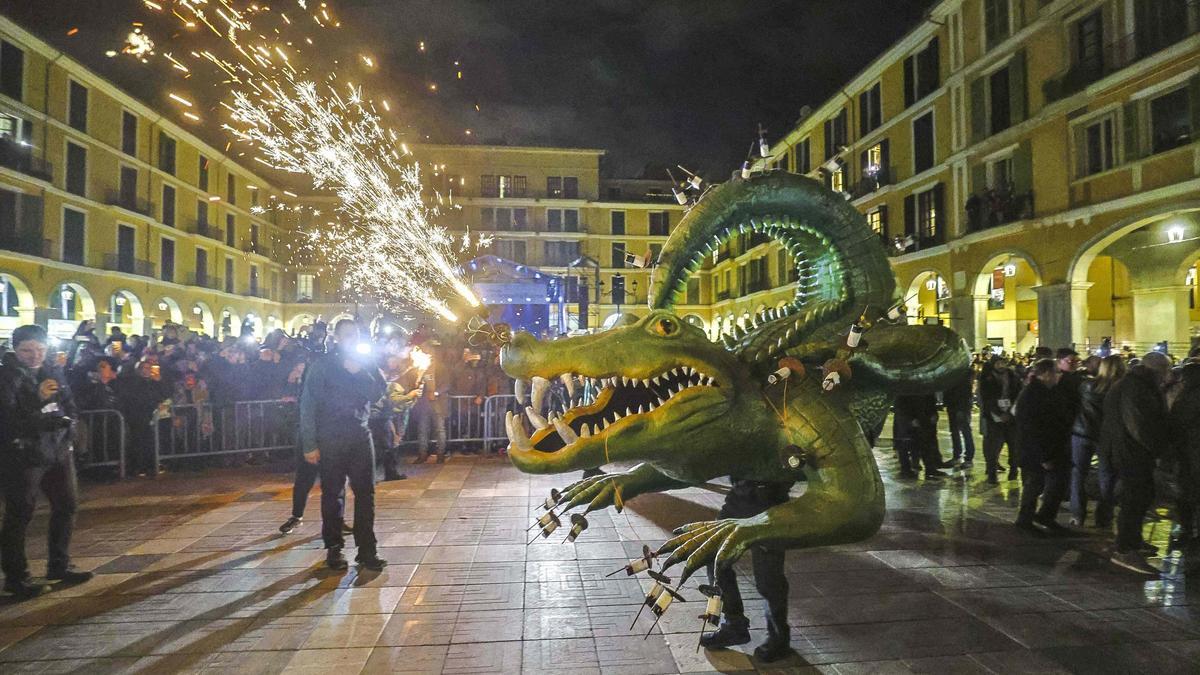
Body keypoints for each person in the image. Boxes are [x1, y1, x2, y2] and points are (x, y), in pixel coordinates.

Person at [0, 325, 93, 599]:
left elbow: (68, 403)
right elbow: (8, 418)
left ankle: (59, 565)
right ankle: (17, 577)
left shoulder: (53, 370)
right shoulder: (6, 376)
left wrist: (70, 428)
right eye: (27, 350)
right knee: (20, 513)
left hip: (58, 449)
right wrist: (38, 400)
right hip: (24, 454)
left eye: (40, 349)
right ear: (14, 350)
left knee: (67, 505)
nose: (34, 356)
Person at [298, 319, 386, 570]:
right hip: (331, 437)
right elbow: (308, 405)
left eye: (356, 335)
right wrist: (310, 443)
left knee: (366, 493)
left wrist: (360, 372)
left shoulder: (365, 363)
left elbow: (378, 393)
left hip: (359, 434)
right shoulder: (322, 365)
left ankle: (367, 550)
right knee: (332, 494)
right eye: (347, 335)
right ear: (336, 337)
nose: (352, 339)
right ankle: (334, 548)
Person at [699, 478, 793, 662]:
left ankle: (779, 637)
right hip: (739, 497)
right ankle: (734, 625)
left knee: (768, 578)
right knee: (715, 557)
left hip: (771, 503)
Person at [1103, 351, 1172, 575]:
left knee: (1140, 496)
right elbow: (1139, 426)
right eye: (1166, 371)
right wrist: (1158, 449)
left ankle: (1131, 540)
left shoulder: (1135, 384)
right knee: (1136, 497)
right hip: (1132, 452)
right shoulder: (1136, 388)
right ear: (1157, 370)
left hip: (1130, 450)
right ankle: (1125, 548)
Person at [1013, 359, 1074, 536]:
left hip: (1052, 448)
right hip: (1037, 452)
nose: (1059, 376)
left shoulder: (1048, 392)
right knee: (1034, 486)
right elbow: (1032, 429)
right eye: (1056, 372)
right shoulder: (1032, 394)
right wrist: (1044, 457)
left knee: (1056, 484)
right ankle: (1025, 520)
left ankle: (1045, 516)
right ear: (1046, 374)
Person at [1069, 355, 1125, 528]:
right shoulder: (1121, 389)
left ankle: (1077, 514)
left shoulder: (1086, 385)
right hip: (1106, 436)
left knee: (1078, 473)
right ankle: (1104, 516)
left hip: (1082, 432)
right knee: (1107, 475)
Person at [1169, 351, 1200, 553]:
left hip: (1188, 452)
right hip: (1191, 451)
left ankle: (1187, 529)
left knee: (1186, 493)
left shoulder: (1185, 397)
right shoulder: (1189, 396)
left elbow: (1176, 425)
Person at [979, 354, 1020, 483]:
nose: (1001, 366)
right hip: (994, 417)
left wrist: (1011, 412)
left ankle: (1014, 470)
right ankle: (992, 473)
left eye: (1003, 363)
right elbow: (987, 399)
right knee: (994, 447)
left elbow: (1018, 394)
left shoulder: (1013, 376)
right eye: (998, 363)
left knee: (1013, 446)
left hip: (1011, 416)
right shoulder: (987, 377)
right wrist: (998, 413)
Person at [943, 371, 976, 469]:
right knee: (955, 432)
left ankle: (968, 458)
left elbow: (966, 392)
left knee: (965, 431)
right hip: (952, 406)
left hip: (961, 407)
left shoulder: (962, 373)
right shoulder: (952, 374)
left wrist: (962, 408)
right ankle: (957, 456)